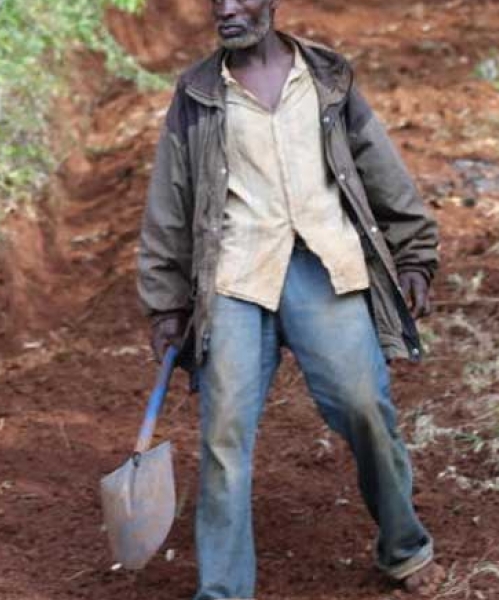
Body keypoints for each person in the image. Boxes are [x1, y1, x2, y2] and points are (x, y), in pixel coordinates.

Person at [135, 1, 445, 598]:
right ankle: (223, 590)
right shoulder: (198, 93)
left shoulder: (328, 77)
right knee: (224, 434)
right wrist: (166, 304)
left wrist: (415, 255)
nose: (226, 9)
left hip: (324, 263)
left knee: (365, 407)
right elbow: (168, 200)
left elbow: (380, 166)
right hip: (235, 276)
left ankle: (404, 548)